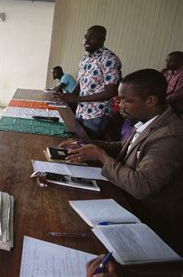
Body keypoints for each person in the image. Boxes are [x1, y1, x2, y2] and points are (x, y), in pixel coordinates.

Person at [60, 69, 183, 252]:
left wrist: (100, 156)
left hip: (148, 221)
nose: (120, 105)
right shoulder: (148, 120)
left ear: (151, 100)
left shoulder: (169, 136)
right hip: (124, 199)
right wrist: (88, 143)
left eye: (127, 100)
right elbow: (125, 148)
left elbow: (142, 186)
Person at [54, 25, 122, 140]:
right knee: (76, 144)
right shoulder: (85, 59)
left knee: (89, 148)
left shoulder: (109, 59)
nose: (87, 39)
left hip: (97, 115)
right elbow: (81, 82)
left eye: (92, 37)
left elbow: (110, 92)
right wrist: (68, 96)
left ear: (102, 39)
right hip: (81, 112)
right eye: (85, 36)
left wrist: (76, 99)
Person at [163, 51, 183, 115]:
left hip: (176, 108)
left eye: (170, 61)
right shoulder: (170, 72)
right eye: (167, 61)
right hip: (167, 104)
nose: (167, 63)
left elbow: (178, 94)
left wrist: (161, 101)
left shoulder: (181, 74)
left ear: (180, 62)